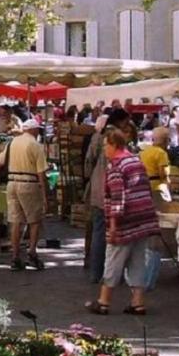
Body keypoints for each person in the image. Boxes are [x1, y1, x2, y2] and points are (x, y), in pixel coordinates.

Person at [85, 127, 160, 315]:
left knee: (113, 259)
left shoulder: (116, 166)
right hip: (142, 218)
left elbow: (118, 198)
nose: (104, 150)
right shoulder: (136, 160)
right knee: (137, 261)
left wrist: (113, 226)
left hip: (125, 221)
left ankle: (104, 301)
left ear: (114, 145)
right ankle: (138, 302)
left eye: (105, 146)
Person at [0, 118, 49, 271]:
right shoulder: (35, 145)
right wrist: (45, 195)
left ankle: (15, 257)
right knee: (34, 220)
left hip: (12, 183)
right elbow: (41, 173)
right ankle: (32, 252)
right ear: (33, 130)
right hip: (29, 183)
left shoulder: (12, 143)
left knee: (15, 221)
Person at [84, 116, 110, 283]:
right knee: (102, 231)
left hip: (97, 190)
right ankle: (106, 273)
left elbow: (88, 163)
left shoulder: (96, 139)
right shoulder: (108, 141)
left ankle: (96, 271)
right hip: (105, 192)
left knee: (97, 230)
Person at [140, 125, 171, 199]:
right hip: (157, 186)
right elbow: (162, 173)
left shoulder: (144, 152)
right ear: (165, 140)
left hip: (144, 184)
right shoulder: (161, 153)